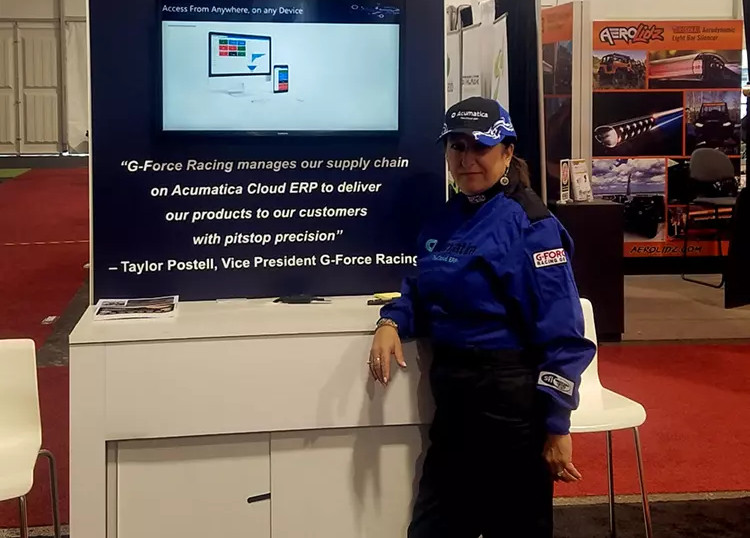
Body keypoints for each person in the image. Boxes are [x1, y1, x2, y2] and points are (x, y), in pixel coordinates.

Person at [368, 96, 596, 537]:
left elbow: (564, 337)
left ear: (507, 152)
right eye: (457, 147)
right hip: (453, 396)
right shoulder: (444, 221)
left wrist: (556, 425)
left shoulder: (531, 226)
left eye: (480, 147)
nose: (467, 160)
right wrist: (391, 321)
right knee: (434, 525)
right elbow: (419, 288)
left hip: (509, 401)